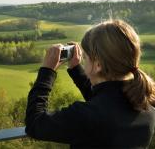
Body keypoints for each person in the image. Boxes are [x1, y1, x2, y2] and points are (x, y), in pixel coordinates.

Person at [25, 19, 155, 148]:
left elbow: (34, 124)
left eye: (86, 58)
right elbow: (105, 102)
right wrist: (76, 69)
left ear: (98, 64)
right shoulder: (146, 105)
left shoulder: (86, 115)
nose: (84, 62)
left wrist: (47, 71)